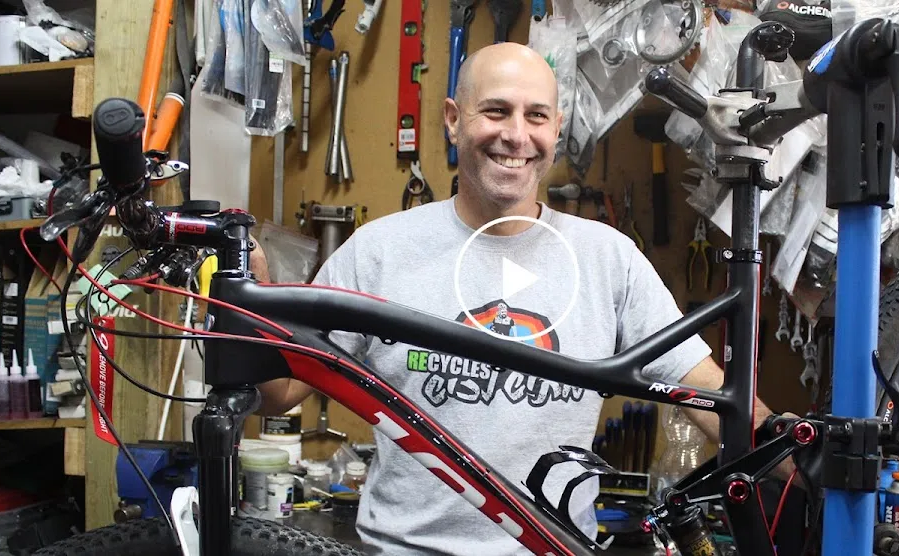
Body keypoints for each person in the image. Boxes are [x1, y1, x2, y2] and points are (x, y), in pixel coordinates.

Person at [256, 42, 785, 555]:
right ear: (453, 119)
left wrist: (801, 454)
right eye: (495, 111)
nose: (516, 135)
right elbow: (279, 392)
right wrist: (250, 296)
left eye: (536, 116)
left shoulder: (608, 259)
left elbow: (709, 393)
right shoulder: (378, 252)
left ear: (557, 128)